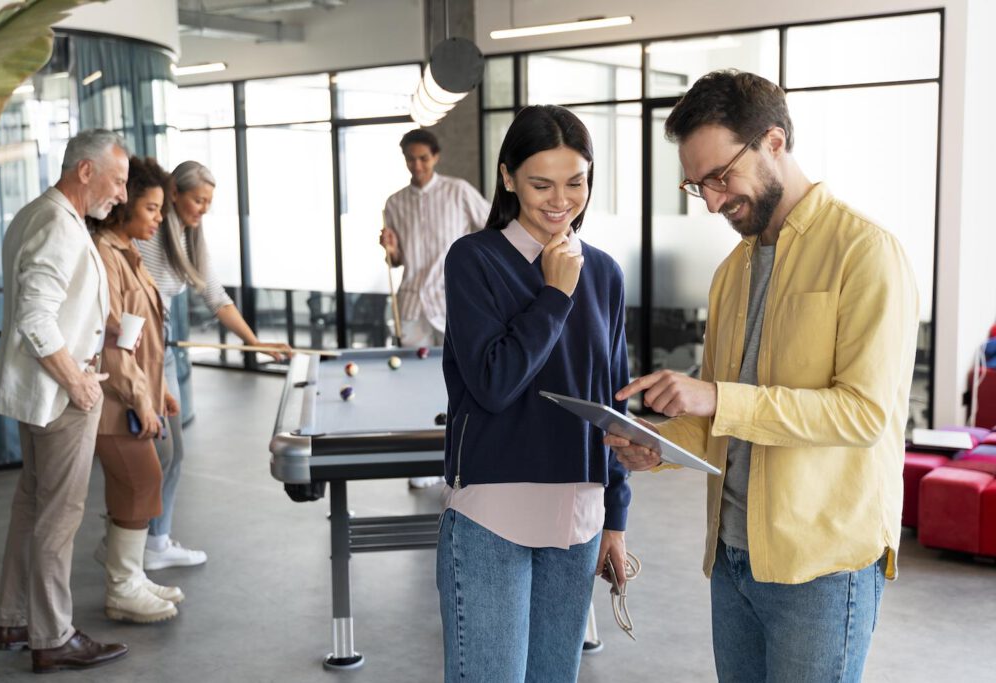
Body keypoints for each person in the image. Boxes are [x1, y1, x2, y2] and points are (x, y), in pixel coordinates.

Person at [606, 70, 919, 682]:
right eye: (698, 186)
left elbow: (864, 415)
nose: (715, 201)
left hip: (821, 570)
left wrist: (717, 395)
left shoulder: (866, 253)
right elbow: (723, 422)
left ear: (774, 141)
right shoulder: (731, 273)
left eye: (721, 176)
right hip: (731, 559)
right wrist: (659, 448)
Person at [437, 105, 632, 682]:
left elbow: (612, 405)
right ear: (507, 178)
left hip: (579, 518)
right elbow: (495, 383)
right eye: (540, 183)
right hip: (493, 517)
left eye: (576, 182)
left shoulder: (606, 272)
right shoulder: (475, 260)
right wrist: (555, 294)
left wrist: (615, 517)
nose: (560, 199)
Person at [0, 129, 130, 673]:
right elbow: (34, 317)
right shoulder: (58, 223)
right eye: (117, 182)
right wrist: (78, 380)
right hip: (60, 395)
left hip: (35, 392)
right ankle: (53, 635)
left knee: (31, 505)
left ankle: (15, 619)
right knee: (60, 514)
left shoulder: (35, 213)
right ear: (86, 171)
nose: (120, 195)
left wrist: (102, 333)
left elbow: (51, 305)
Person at [135, 160, 291, 569]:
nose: (203, 209)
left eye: (208, 202)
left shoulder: (189, 238)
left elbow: (216, 297)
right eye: (197, 200)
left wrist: (254, 342)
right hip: (139, 357)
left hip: (162, 354)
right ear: (174, 194)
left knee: (168, 454)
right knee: (158, 453)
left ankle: (153, 541)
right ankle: (140, 544)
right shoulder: (147, 236)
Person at [91, 156, 184, 623]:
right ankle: (122, 587)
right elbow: (111, 343)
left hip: (134, 393)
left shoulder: (127, 253)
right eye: (151, 208)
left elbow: (144, 334)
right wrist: (142, 398)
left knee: (137, 485)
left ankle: (130, 578)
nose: (159, 218)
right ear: (122, 206)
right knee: (141, 480)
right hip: (113, 401)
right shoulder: (105, 257)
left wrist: (160, 387)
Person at [378, 129, 490, 488]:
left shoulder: (458, 191)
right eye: (411, 159)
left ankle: (464, 457)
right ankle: (426, 462)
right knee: (415, 385)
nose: (417, 165)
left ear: (436, 157)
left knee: (460, 384)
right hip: (412, 302)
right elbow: (395, 261)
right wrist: (390, 248)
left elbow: (493, 229)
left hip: (453, 302)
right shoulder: (394, 202)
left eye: (423, 158)